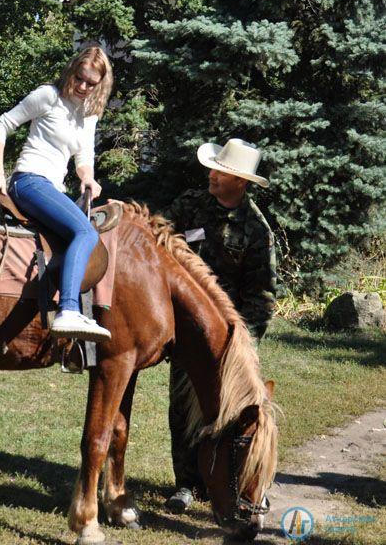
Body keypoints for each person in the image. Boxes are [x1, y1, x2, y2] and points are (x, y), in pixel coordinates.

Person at [162, 138, 278, 513]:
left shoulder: (257, 231)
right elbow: (158, 239)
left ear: (240, 182)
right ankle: (186, 484)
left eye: (221, 171)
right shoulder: (190, 205)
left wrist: (244, 348)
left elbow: (261, 297)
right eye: (213, 168)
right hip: (184, 328)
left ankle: (232, 480)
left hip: (229, 341)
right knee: (182, 406)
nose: (211, 175)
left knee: (228, 415)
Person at [0, 45, 113, 342]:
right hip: (29, 181)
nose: (82, 86)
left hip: (53, 188)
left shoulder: (90, 114)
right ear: (72, 71)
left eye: (90, 83)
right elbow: (1, 124)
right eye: (79, 78)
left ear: (101, 85)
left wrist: (88, 178)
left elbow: (83, 156)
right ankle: (68, 309)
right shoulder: (48, 96)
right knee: (86, 234)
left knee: (81, 232)